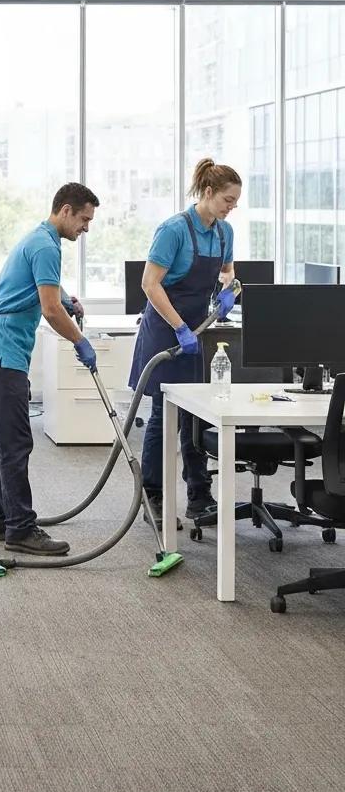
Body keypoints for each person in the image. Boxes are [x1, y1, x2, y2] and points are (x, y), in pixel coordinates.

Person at [0, 183, 101, 556]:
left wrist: (66, 298)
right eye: (84, 219)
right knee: (15, 443)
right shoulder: (46, 246)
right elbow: (49, 309)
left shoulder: (40, 239)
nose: (86, 228)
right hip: (3, 352)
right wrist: (79, 340)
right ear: (65, 210)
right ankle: (21, 529)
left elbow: (43, 291)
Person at [129, 158, 240, 527]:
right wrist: (179, 327)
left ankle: (199, 494)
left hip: (197, 330)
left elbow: (228, 272)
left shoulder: (224, 232)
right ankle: (153, 496)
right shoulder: (174, 230)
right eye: (227, 199)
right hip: (166, 330)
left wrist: (227, 291)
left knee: (196, 414)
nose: (231, 207)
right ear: (208, 192)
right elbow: (150, 284)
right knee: (163, 415)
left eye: (235, 202)